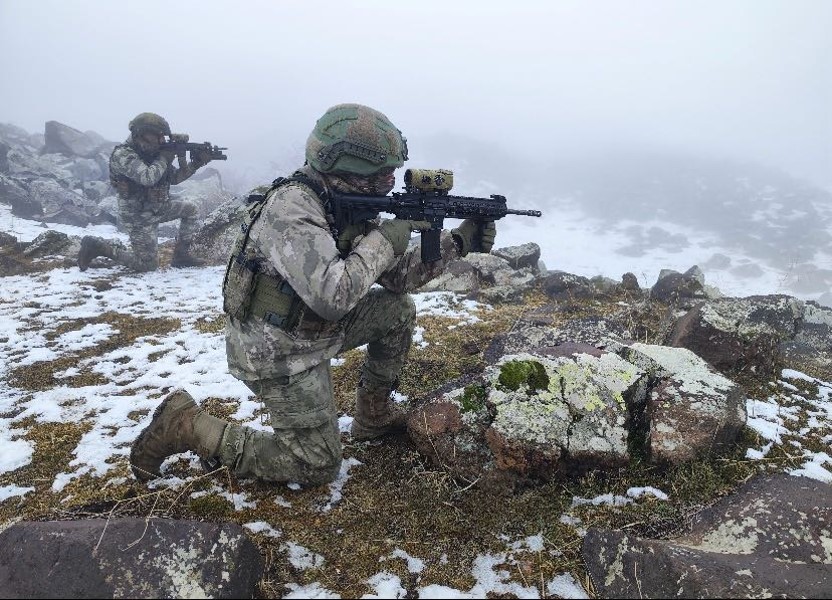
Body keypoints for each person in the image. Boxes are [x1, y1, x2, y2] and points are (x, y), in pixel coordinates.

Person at [130, 103, 496, 487]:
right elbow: (333, 295)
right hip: (275, 349)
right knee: (315, 464)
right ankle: (187, 425)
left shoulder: (343, 200)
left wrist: (459, 241)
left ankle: (373, 416)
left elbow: (398, 278)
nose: (389, 181)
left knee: (396, 310)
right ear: (341, 167)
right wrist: (386, 239)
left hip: (314, 328)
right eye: (378, 174)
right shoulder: (292, 208)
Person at [77, 112, 213, 272]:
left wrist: (196, 163)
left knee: (191, 210)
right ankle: (98, 247)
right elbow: (147, 177)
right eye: (158, 136)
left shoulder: (152, 152)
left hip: (157, 208)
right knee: (147, 265)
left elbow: (174, 178)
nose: (162, 140)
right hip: (137, 216)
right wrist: (164, 158)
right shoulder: (123, 155)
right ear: (141, 135)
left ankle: (181, 256)